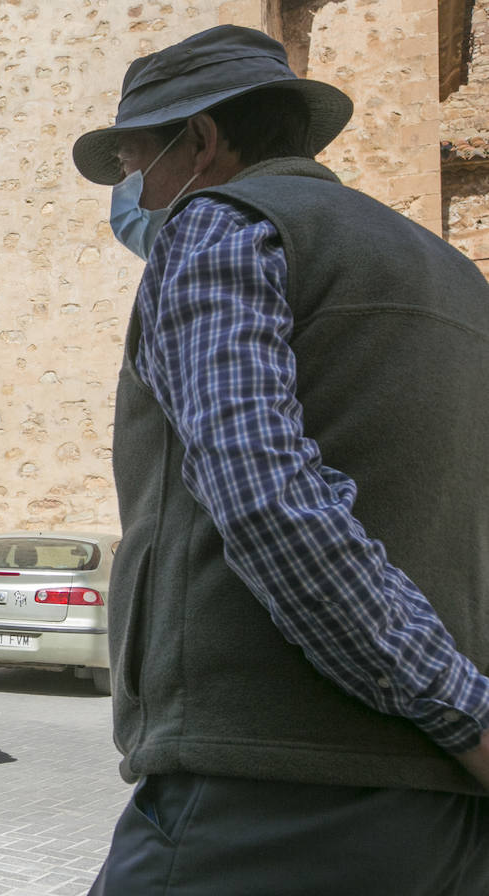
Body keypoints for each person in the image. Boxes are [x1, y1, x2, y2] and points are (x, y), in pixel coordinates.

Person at [72, 26, 489, 894]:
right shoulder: (456, 277)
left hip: (267, 794)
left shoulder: (221, 225)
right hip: (440, 817)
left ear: (202, 140)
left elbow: (266, 495)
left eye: (135, 160)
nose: (131, 192)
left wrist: (464, 713)